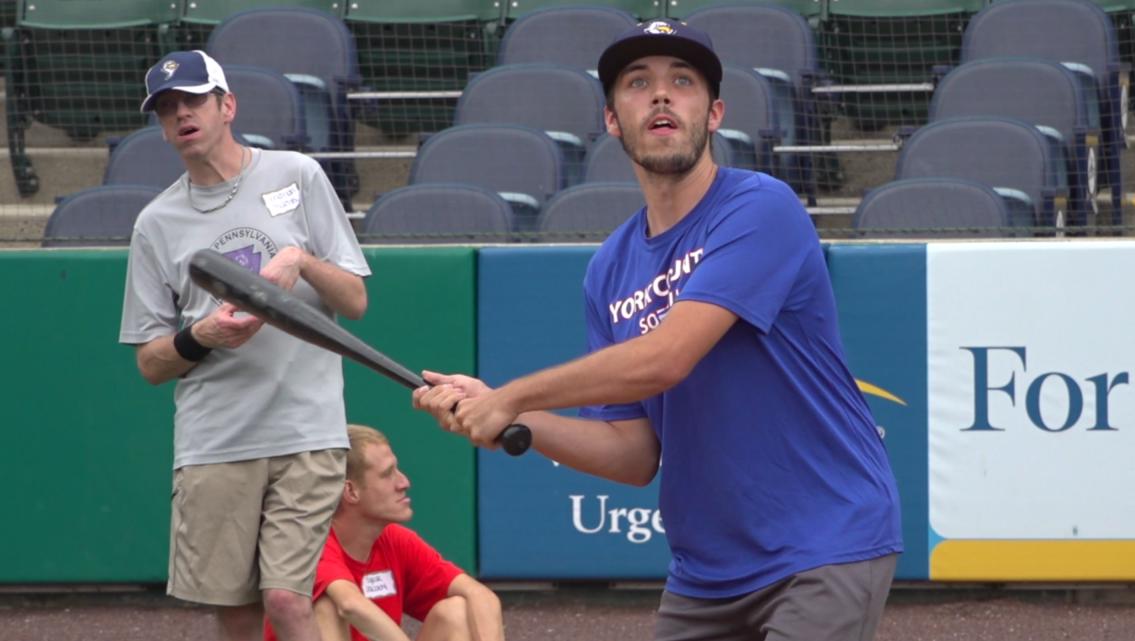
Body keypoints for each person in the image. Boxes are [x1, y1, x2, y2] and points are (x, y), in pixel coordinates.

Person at [414, 19, 902, 641]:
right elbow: (633, 453)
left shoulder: (761, 207)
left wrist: (512, 396)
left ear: (715, 111)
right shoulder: (609, 269)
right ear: (614, 120)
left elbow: (668, 357)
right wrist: (511, 420)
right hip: (707, 573)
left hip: (824, 541)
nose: (662, 95)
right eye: (639, 83)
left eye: (683, 81)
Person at [118, 50, 371, 641]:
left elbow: (354, 301)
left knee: (286, 600)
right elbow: (151, 364)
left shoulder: (298, 175)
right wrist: (199, 335)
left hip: (307, 431)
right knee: (234, 611)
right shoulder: (155, 224)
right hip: (216, 440)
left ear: (226, 106)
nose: (181, 115)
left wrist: (300, 261)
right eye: (167, 108)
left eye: (193, 101)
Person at [265, 424, 505, 641]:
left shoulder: (395, 540)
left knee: (457, 612)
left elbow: (480, 595)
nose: (404, 482)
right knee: (326, 606)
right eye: (388, 474)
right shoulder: (313, 540)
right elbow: (350, 604)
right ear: (351, 491)